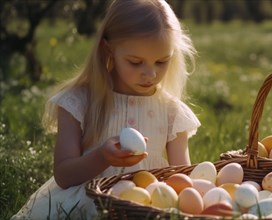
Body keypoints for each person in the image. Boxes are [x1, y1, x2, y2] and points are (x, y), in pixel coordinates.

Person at [11, 0, 200, 219]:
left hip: (147, 207)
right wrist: (102, 157)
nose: (150, 74)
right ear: (108, 48)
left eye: (161, 61)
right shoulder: (79, 102)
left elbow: (182, 181)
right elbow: (63, 175)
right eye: (135, 62)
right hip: (89, 202)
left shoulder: (171, 112)